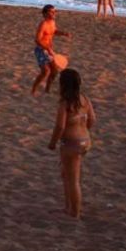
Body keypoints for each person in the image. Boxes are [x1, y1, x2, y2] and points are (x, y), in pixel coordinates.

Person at [48, 69, 97, 218]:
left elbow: (60, 126)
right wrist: (83, 131)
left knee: (73, 179)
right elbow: (92, 120)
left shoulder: (65, 104)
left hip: (71, 144)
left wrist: (52, 142)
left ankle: (74, 212)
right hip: (85, 141)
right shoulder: (85, 99)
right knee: (66, 174)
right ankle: (68, 207)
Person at [32, 4, 71, 96]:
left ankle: (47, 90)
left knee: (54, 71)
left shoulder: (52, 22)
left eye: (55, 11)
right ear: (45, 14)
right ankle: (34, 89)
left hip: (49, 49)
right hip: (41, 50)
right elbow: (37, 40)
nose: (54, 13)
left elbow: (54, 31)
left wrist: (63, 33)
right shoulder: (43, 24)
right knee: (45, 71)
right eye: (52, 11)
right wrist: (47, 48)